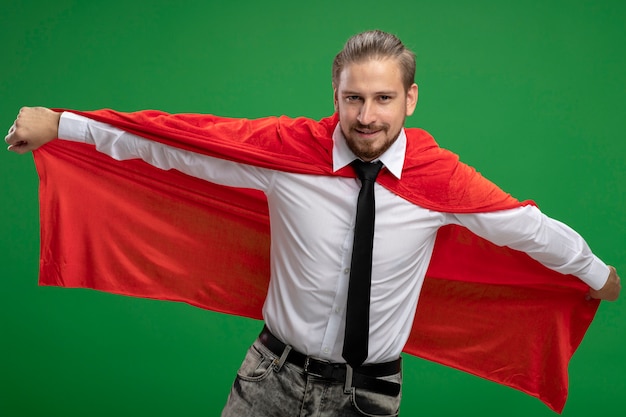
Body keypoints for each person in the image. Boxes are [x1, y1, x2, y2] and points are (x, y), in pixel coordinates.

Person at [5, 30, 621, 416]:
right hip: (269, 378)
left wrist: (596, 274)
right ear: (335, 95)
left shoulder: (442, 182)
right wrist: (65, 125)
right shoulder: (289, 153)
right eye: (353, 97)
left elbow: (526, 227)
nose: (367, 115)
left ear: (410, 99)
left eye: (383, 98)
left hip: (368, 396)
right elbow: (184, 145)